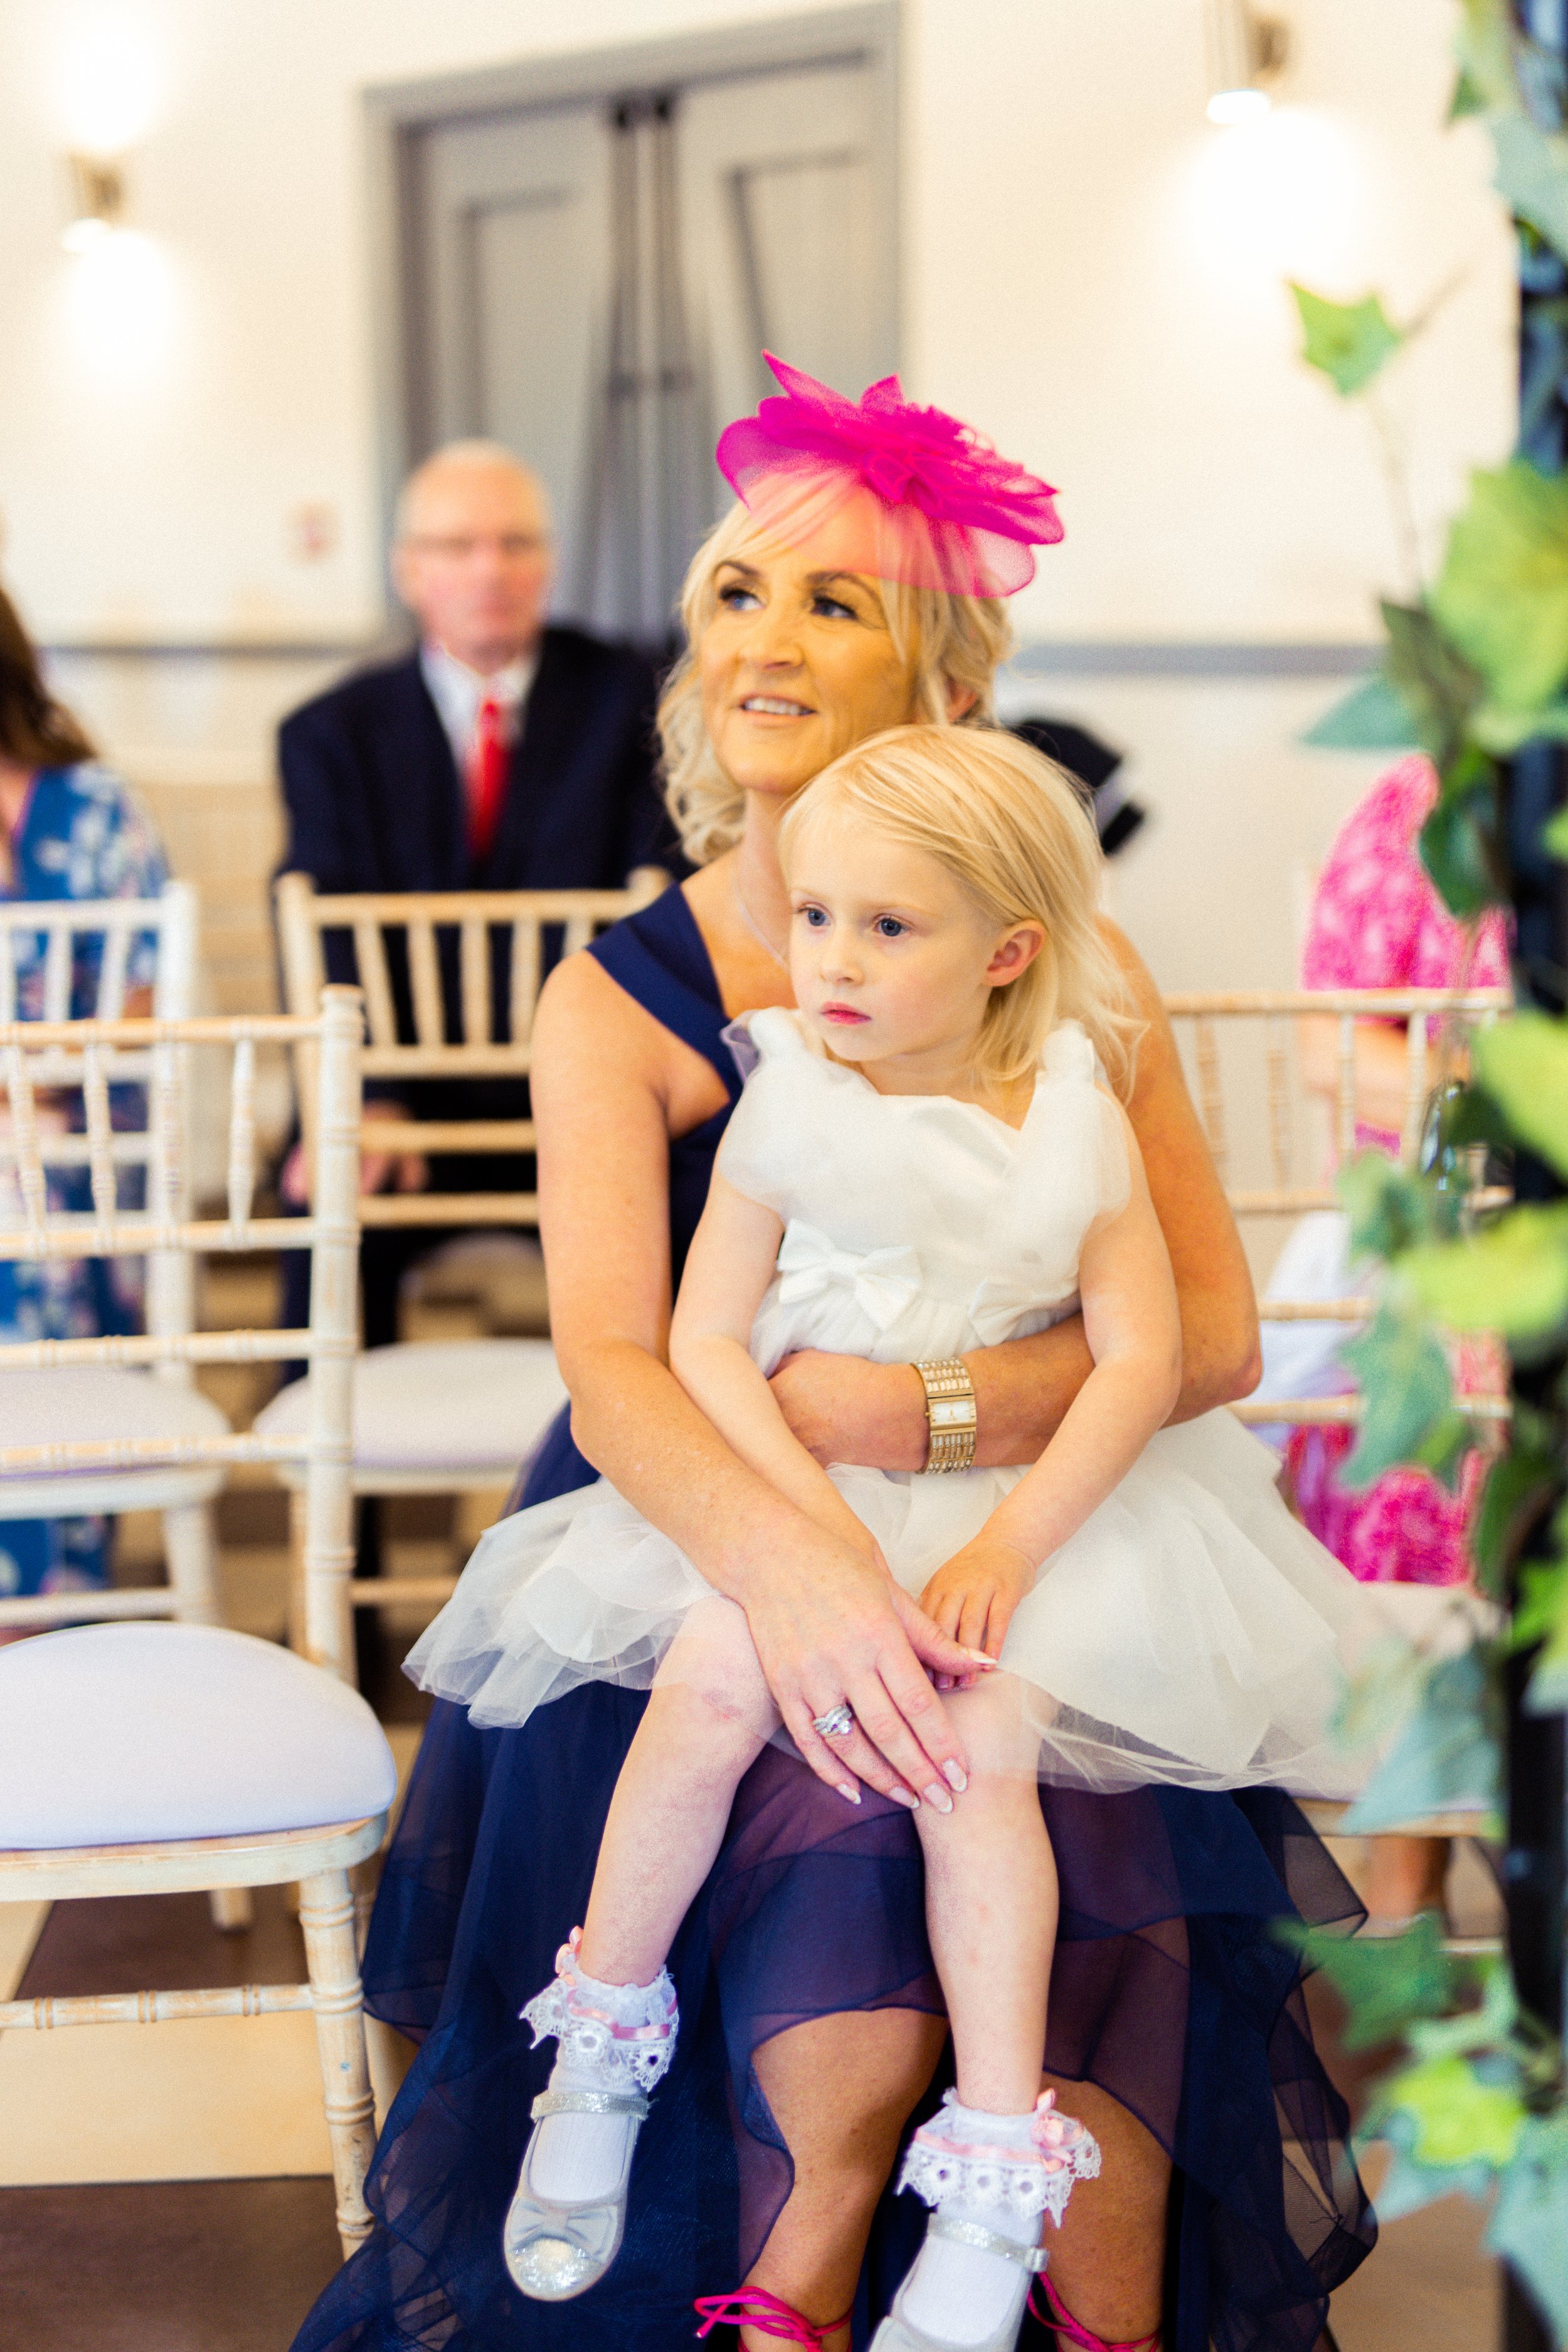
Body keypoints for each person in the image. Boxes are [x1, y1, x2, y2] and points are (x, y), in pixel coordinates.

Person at [292, 359, 1372, 2352]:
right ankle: (780, 2285)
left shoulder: (1063, 966)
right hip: (703, 1511)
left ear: (945, 678)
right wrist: (798, 1577)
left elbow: (1200, 1330)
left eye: (834, 601)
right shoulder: (615, 999)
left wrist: (916, 1410)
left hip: (1041, 1520)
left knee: (1069, 1825)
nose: (764, 642)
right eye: (733, 596)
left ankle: (1068, 2298)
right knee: (821, 1817)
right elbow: (622, 1358)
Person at [276, 439, 678, 1347]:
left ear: (550, 564)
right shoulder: (327, 732)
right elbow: (318, 921)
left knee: (696, 1207)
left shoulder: (642, 705)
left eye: (515, 543)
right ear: (408, 570)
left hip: (584, 1082)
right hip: (403, 1094)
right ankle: (329, 1472)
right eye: (457, 547)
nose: (489, 569)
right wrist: (364, 1095)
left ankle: (651, 1468)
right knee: (323, 1206)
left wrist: (616, 1094)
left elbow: (657, 908)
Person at [1256, 752, 1510, 1931]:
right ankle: (1411, 1869)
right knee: (1444, 1415)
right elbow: (1332, 1048)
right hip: (1456, 1228)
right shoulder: (1424, 803)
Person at [0, 581, 169, 1609]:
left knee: (37, 1204)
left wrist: (30, 1087)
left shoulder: (95, 805)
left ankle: (54, 1599)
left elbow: (144, 1012)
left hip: (77, 1138)